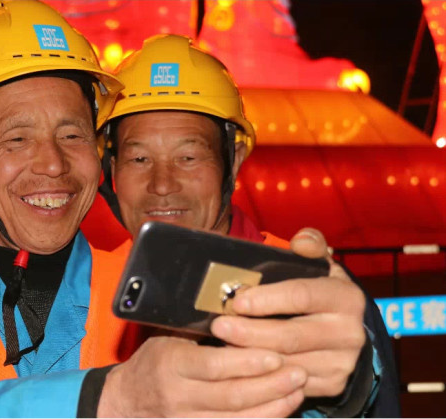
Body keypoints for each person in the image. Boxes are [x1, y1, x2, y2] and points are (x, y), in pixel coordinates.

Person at [0, 2, 325, 417]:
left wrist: (345, 378)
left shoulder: (174, 282)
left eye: (72, 134)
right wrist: (117, 397)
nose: (54, 164)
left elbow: (285, 381)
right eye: (16, 139)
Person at [97, 34, 400, 417]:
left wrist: (349, 385)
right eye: (139, 159)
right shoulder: (87, 292)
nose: (161, 184)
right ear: (111, 169)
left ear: (234, 159)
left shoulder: (309, 291)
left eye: (188, 157)